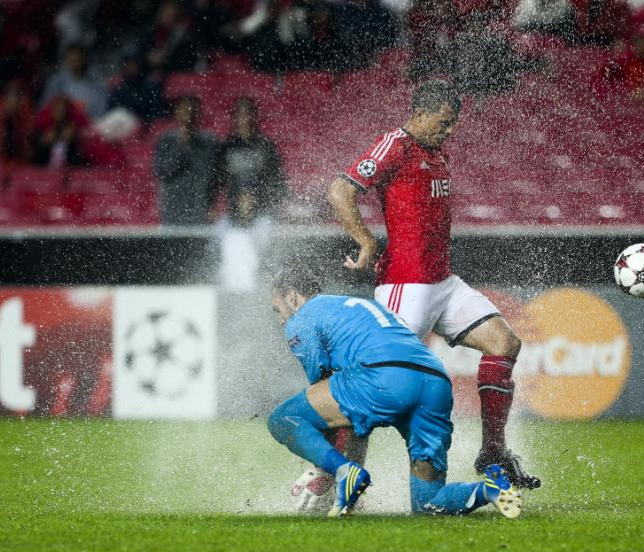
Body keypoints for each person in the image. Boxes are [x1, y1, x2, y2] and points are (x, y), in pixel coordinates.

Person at [322, 79, 542, 491]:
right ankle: (332, 473)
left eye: (453, 123)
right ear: (420, 114)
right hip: (406, 284)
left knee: (505, 343)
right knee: (375, 385)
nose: (450, 130)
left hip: (443, 282)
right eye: (443, 122)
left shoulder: (434, 149)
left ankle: (493, 451)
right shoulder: (394, 145)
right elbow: (339, 190)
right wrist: (366, 240)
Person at [266, 265, 524, 518]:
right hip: (434, 382)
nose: (279, 320)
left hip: (384, 378)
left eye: (277, 310)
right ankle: (489, 489)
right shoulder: (352, 304)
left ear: (292, 297)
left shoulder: (302, 318)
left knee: (282, 419)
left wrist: (329, 466)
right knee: (427, 503)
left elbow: (324, 394)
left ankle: (345, 473)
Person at [215, 97, 287, 291]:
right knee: (228, 250)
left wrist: (261, 202)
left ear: (255, 117)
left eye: (248, 114)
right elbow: (215, 181)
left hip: (262, 216)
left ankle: (266, 284)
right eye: (240, 114)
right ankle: (230, 290)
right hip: (233, 217)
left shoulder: (265, 146)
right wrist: (211, 205)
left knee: (261, 253)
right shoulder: (226, 147)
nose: (244, 119)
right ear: (234, 118)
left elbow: (279, 183)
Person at [153, 96, 221, 225]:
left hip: (200, 210)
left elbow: (213, 177)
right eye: (183, 109)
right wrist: (180, 145)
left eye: (191, 109)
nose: (188, 114)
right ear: (176, 113)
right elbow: (163, 172)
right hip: (173, 210)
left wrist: (212, 205)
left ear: (198, 113)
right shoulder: (166, 140)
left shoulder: (209, 141)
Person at [41, 45, 109, 119]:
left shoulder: (97, 85)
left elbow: (102, 113)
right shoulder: (55, 83)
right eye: (72, 58)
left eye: (78, 59)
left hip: (89, 125)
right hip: (60, 126)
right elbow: (45, 108)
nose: (75, 62)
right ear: (66, 60)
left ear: (85, 59)